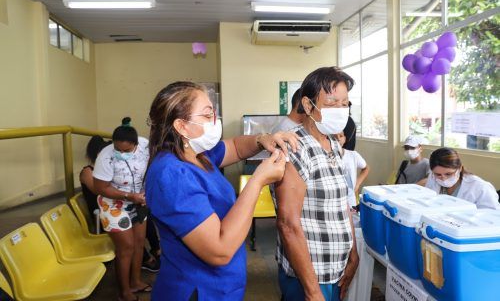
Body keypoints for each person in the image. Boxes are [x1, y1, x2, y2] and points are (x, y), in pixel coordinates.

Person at [145, 81, 298, 300]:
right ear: (181, 126)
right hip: (197, 291)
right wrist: (257, 182)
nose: (214, 122)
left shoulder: (197, 154)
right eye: (207, 116)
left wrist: (261, 139)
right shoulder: (171, 174)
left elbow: (235, 146)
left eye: (214, 114)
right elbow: (219, 250)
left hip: (222, 287)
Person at [274, 66, 359, 301]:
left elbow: (343, 203)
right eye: (332, 103)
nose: (341, 110)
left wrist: (353, 255)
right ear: (309, 105)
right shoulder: (295, 148)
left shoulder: (334, 144)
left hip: (335, 269)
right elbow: (288, 225)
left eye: (345, 104)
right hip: (309, 277)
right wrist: (312, 292)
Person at [93, 117, 152, 301]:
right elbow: (100, 188)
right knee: (126, 247)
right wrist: (128, 196)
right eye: (117, 148)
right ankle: (124, 291)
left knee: (139, 242)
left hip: (138, 201)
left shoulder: (144, 146)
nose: (121, 152)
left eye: (126, 150)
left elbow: (151, 167)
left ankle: (135, 282)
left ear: (135, 144)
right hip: (113, 204)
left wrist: (144, 192)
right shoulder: (106, 155)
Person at [425, 147, 499, 210]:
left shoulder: (480, 187)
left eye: (448, 174)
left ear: (459, 168)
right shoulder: (432, 178)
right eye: (438, 174)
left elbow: (492, 215)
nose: (443, 178)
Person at [80, 135, 111, 229]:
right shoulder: (87, 171)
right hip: (100, 211)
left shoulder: (106, 169)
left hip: (109, 206)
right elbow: (98, 190)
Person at [335, 131, 370, 209]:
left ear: (344, 139)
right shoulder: (325, 156)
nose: (338, 139)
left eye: (340, 136)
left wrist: (357, 184)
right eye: (334, 137)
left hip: (350, 201)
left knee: (351, 219)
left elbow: (366, 168)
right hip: (335, 202)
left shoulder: (353, 155)